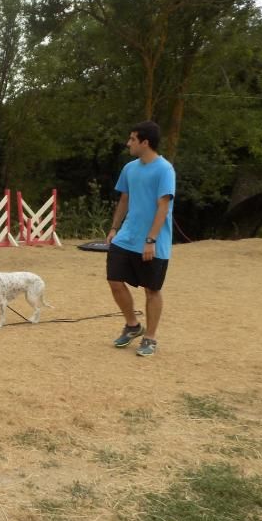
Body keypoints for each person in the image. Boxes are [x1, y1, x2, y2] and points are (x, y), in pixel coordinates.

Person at [106, 121, 176, 357]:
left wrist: (151, 240)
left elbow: (163, 207)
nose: (128, 143)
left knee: (151, 290)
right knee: (115, 281)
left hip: (153, 241)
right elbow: (124, 199)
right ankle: (133, 325)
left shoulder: (164, 170)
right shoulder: (129, 168)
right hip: (126, 237)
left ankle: (150, 338)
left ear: (145, 142)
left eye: (132, 139)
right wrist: (115, 228)